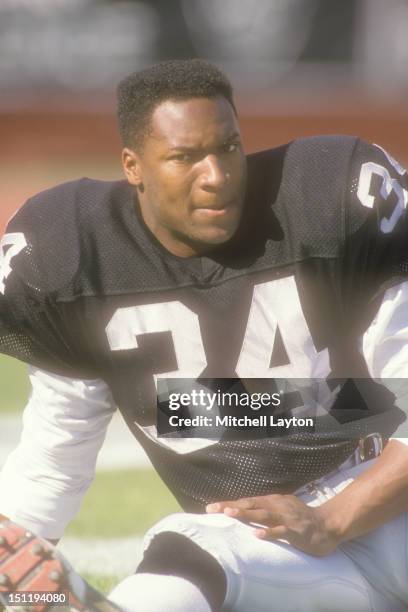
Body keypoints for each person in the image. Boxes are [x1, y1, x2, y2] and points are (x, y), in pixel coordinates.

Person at [0, 58, 408, 612]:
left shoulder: (331, 201)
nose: (215, 175)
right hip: (269, 544)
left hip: (389, 507)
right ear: (133, 166)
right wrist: (15, 562)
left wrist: (333, 518)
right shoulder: (75, 257)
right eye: (184, 157)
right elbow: (55, 454)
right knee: (182, 554)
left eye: (228, 149)